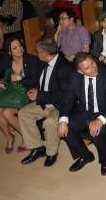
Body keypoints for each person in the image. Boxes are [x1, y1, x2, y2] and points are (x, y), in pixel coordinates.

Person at [19, 39, 72, 167]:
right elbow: (43, 82)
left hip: (59, 106)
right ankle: (37, 147)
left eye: (38, 51)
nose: (36, 53)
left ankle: (51, 153)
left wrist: (40, 95)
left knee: (49, 122)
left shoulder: (64, 67)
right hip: (45, 101)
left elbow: (64, 96)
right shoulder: (44, 62)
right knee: (23, 113)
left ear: (44, 53)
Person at [0, 38, 40, 153]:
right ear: (9, 52)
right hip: (11, 93)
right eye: (15, 48)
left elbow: (35, 81)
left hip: (27, 92)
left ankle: (26, 137)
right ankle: (9, 137)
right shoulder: (6, 61)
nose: (19, 49)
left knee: (6, 113)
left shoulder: (31, 60)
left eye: (20, 45)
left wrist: (20, 79)